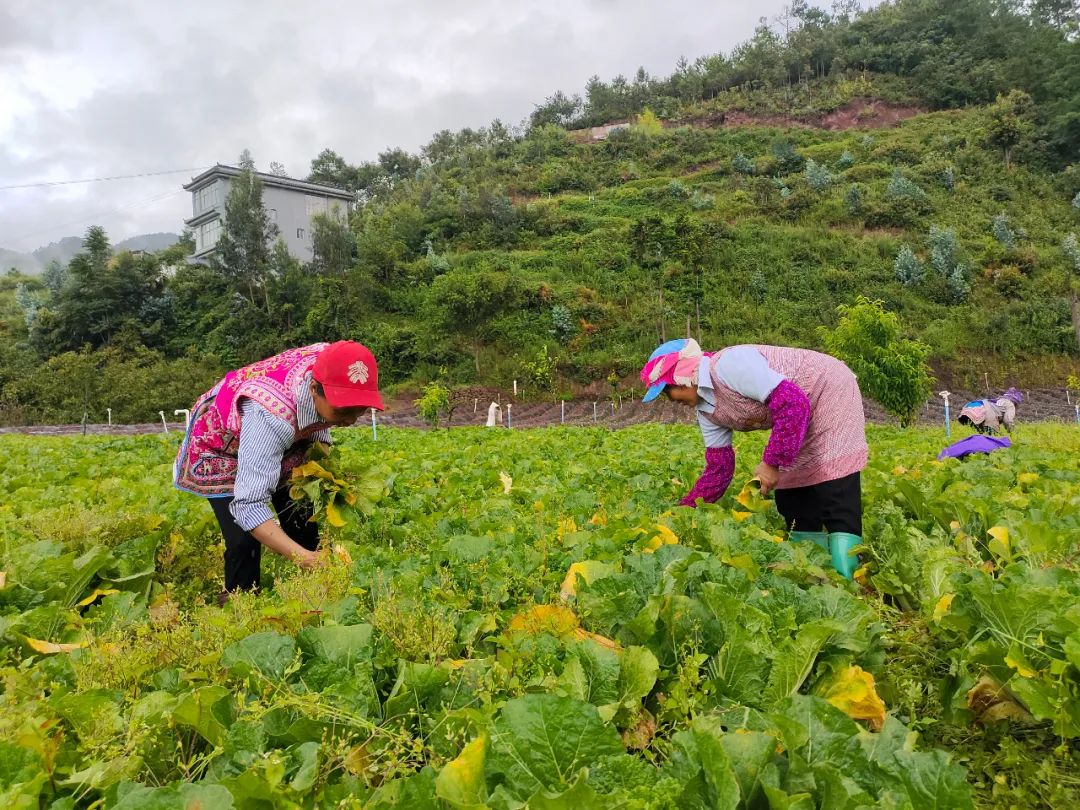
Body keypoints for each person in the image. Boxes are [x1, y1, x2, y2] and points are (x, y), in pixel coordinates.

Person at [174, 341, 384, 602]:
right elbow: (248, 505)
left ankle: (317, 591)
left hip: (278, 427)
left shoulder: (336, 362)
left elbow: (318, 422)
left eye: (359, 409)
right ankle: (240, 605)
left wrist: (323, 472)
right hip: (221, 442)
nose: (351, 420)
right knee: (243, 540)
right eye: (344, 410)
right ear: (314, 388)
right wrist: (302, 557)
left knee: (299, 510)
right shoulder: (270, 416)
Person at [640, 339, 868, 578]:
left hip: (827, 387)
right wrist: (683, 511)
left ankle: (848, 575)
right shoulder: (706, 411)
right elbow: (719, 468)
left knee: (833, 481)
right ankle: (814, 572)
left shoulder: (729, 366)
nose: (671, 399)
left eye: (668, 391)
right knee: (792, 494)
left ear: (682, 375)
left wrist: (771, 462)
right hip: (796, 410)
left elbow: (792, 402)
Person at [958, 388, 1023, 435]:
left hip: (971, 407)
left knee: (981, 437)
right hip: (987, 413)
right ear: (1016, 402)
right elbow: (1007, 420)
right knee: (994, 439)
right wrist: (1013, 434)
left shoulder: (997, 400)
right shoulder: (1010, 404)